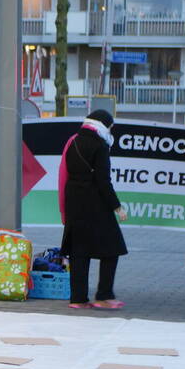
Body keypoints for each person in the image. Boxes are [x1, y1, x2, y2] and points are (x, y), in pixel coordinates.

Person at [59, 109, 128, 310]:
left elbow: (63, 175)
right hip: (95, 203)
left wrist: (63, 209)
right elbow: (103, 181)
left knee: (79, 251)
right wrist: (117, 206)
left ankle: (78, 299)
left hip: (74, 201)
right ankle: (104, 295)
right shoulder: (100, 146)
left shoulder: (72, 141)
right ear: (104, 126)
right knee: (113, 248)